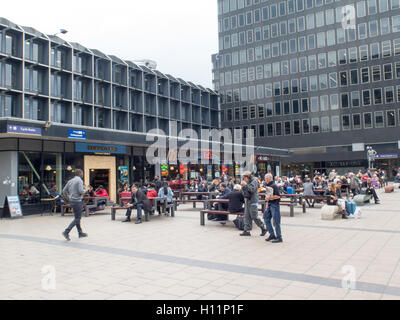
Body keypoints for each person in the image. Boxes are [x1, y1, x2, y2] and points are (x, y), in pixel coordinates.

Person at [62, 169, 88, 241]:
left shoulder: (70, 181)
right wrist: (87, 190)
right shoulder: (79, 180)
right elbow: (81, 191)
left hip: (72, 201)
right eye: (82, 173)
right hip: (77, 201)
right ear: (80, 173)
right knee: (78, 218)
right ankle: (66, 231)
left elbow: (64, 191)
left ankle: (80, 233)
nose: (82, 175)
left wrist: (68, 198)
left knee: (77, 217)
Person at [239, 171, 267, 237]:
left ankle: (263, 227)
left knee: (254, 216)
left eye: (244, 178)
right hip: (247, 201)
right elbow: (245, 191)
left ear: (248, 177)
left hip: (253, 201)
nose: (244, 179)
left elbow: (251, 189)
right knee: (247, 216)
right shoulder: (248, 181)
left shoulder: (254, 181)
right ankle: (247, 231)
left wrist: (245, 185)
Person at [263, 173, 283, 243]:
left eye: (265, 178)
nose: (264, 180)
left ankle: (279, 237)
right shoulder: (268, 185)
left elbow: (278, 196)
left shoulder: (274, 186)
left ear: (268, 179)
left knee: (276, 221)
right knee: (266, 218)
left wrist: (269, 198)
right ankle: (272, 234)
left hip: (274, 205)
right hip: (269, 204)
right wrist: (267, 202)